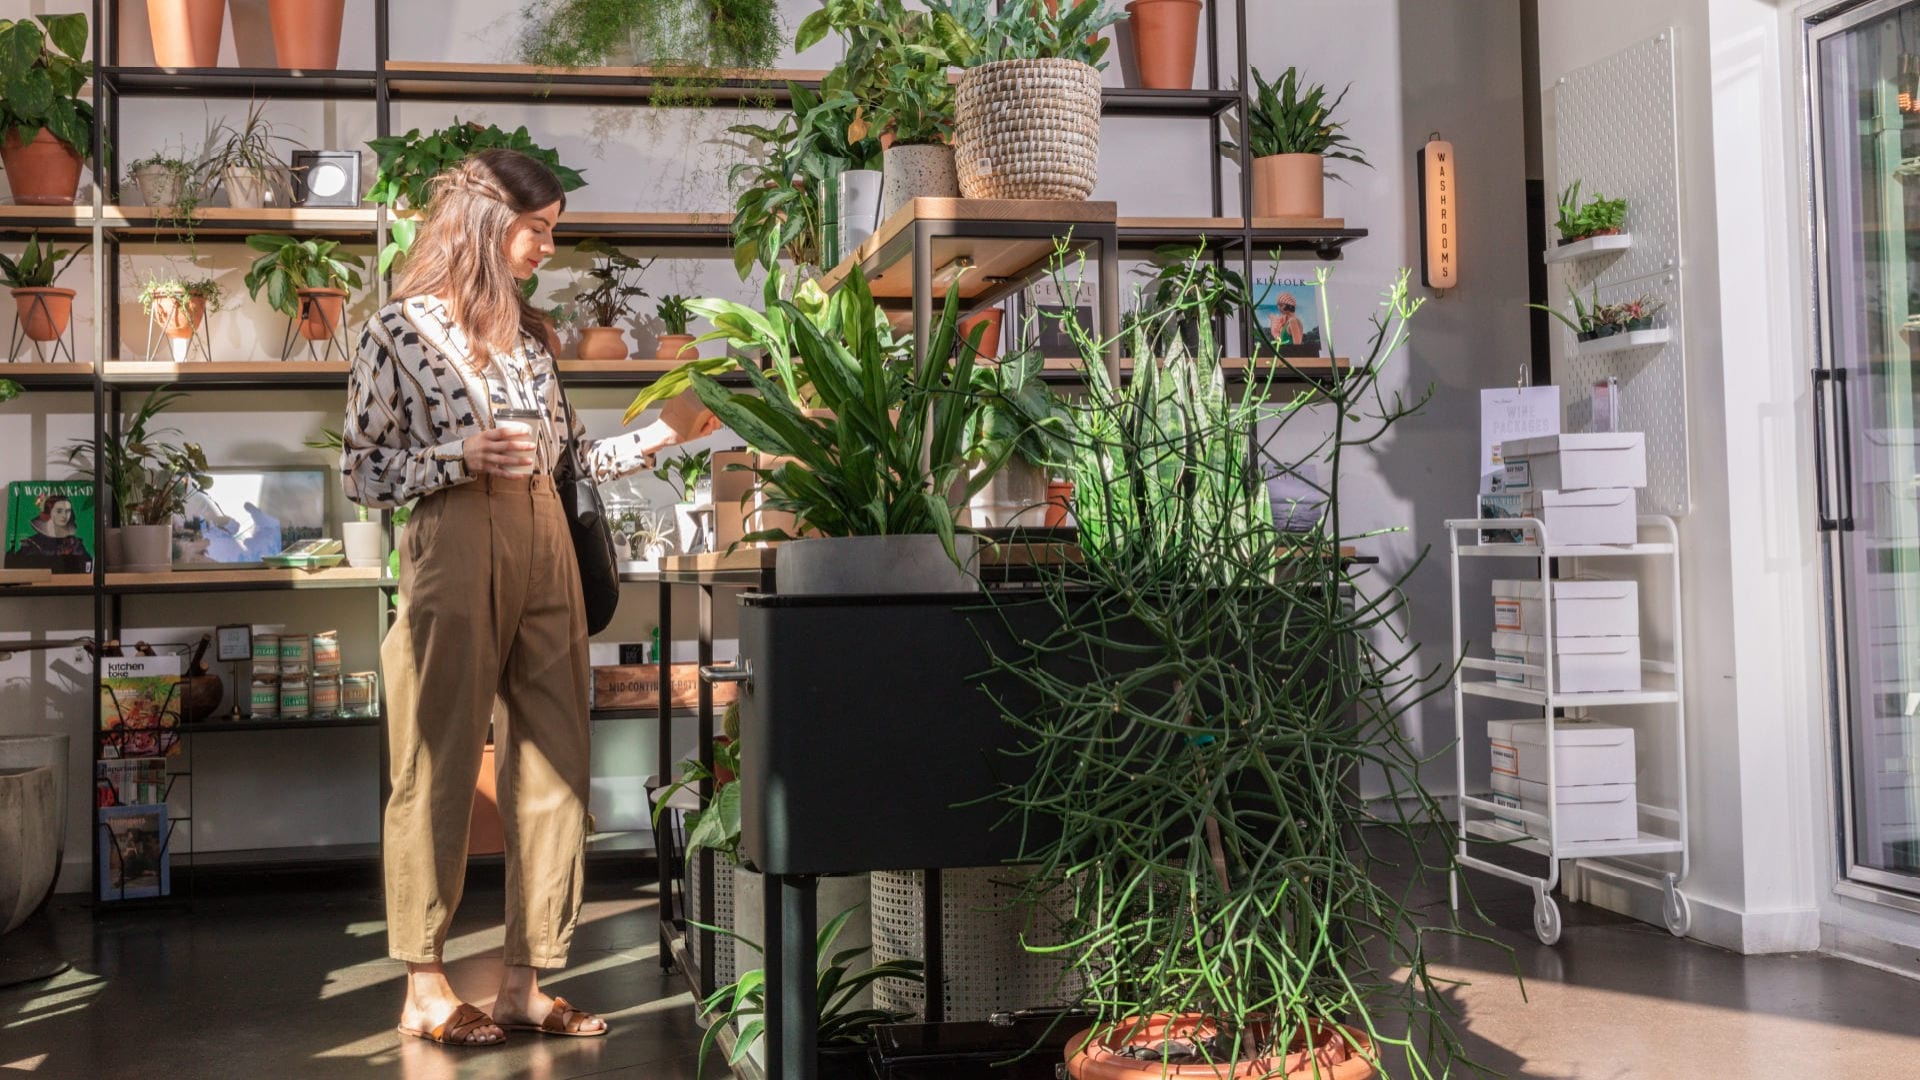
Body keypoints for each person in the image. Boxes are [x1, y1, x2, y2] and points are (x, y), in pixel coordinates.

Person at [341, 148, 717, 1048]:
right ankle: (425, 985)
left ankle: (524, 979)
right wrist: (455, 458)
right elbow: (360, 471)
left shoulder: (532, 340)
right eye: (537, 231)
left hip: (547, 534)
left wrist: (663, 437)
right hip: (454, 537)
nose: (546, 248)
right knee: (433, 761)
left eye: (552, 231)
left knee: (555, 758)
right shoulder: (396, 330)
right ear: (484, 220)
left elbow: (569, 464)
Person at [11, 494, 90, 571]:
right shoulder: (32, 543)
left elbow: (87, 569)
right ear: (49, 513)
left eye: (67, 511)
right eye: (59, 511)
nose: (64, 515)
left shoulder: (75, 544)